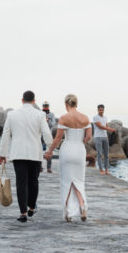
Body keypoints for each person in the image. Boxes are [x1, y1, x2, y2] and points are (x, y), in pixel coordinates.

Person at [0, 90, 53, 223]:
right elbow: (46, 133)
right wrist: (50, 149)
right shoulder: (40, 114)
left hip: (18, 154)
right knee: (33, 181)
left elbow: (6, 135)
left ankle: (23, 212)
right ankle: (32, 207)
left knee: (21, 183)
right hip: (35, 154)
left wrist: (2, 154)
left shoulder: (12, 115)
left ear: (22, 100)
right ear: (34, 101)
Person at [44, 94, 92, 222]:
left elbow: (58, 138)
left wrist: (49, 151)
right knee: (79, 181)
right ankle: (82, 206)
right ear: (76, 103)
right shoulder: (85, 118)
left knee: (67, 182)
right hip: (79, 150)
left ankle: (68, 213)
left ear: (66, 104)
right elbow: (89, 136)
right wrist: (81, 142)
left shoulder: (64, 118)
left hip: (67, 150)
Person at [93, 104, 115, 175]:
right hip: (98, 137)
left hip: (105, 137)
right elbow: (100, 126)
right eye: (100, 110)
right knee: (99, 154)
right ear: (98, 110)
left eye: (102, 110)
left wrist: (112, 130)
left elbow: (106, 126)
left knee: (106, 154)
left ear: (104, 110)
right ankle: (101, 170)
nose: (101, 111)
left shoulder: (105, 117)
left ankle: (106, 170)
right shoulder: (95, 117)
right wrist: (110, 129)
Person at [42, 100, 57, 173]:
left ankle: (49, 167)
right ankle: (39, 167)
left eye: (47, 106)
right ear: (42, 106)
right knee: (39, 150)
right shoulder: (40, 114)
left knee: (49, 150)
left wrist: (48, 121)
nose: (45, 107)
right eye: (44, 106)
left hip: (49, 134)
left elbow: (53, 124)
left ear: (48, 106)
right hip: (40, 134)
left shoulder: (52, 114)